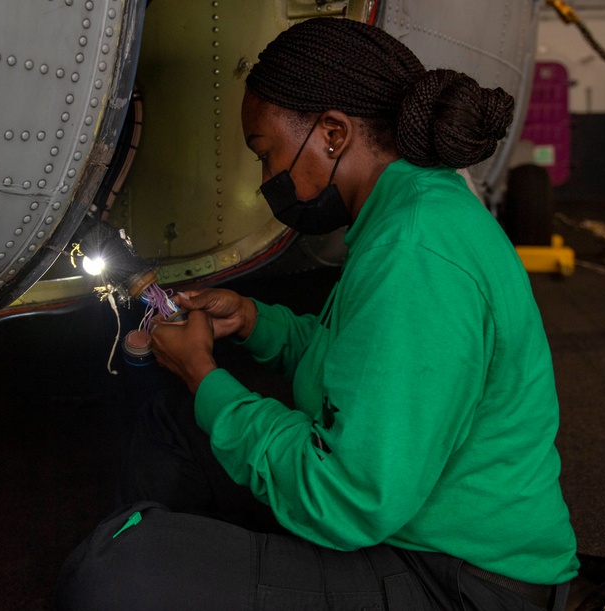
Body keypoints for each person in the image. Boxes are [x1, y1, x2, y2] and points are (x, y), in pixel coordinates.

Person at [56, 17, 578, 611]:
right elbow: (362, 365)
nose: (265, 178)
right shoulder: (411, 205)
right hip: (406, 521)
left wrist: (205, 378)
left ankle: (159, 557)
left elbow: (349, 496)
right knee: (173, 428)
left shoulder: (415, 252)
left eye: (266, 153)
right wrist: (255, 321)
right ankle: (179, 553)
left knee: (111, 576)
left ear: (333, 133)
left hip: (463, 581)